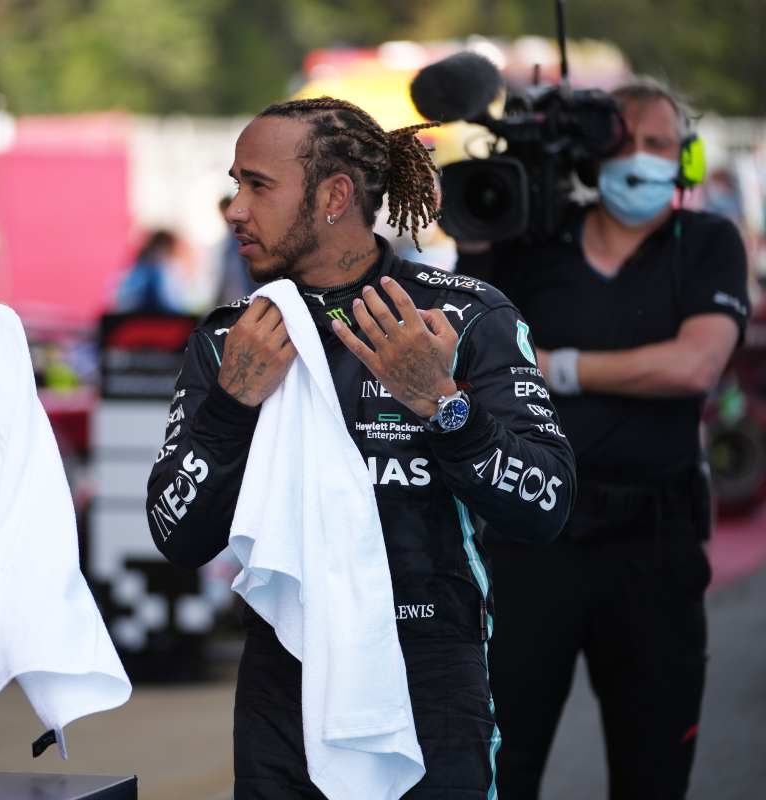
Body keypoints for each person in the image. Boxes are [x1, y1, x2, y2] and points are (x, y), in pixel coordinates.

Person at [146, 97, 576, 798]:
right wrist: (230, 410)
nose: (234, 209)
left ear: (335, 194)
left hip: (429, 667)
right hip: (282, 669)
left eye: (257, 185)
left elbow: (546, 504)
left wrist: (444, 406)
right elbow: (178, 536)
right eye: (236, 184)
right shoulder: (234, 338)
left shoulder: (464, 315)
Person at [454, 78, 750, 799]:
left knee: (653, 770)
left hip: (654, 545)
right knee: (500, 765)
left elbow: (696, 365)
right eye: (623, 143)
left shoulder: (707, 241)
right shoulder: (532, 244)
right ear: (590, 156)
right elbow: (469, 351)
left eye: (659, 143)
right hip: (530, 546)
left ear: (685, 157)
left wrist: (562, 367)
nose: (641, 159)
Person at [112, 229, 188, 313]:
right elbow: (168, 304)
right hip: (154, 320)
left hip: (132, 319)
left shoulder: (134, 270)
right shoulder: (157, 271)